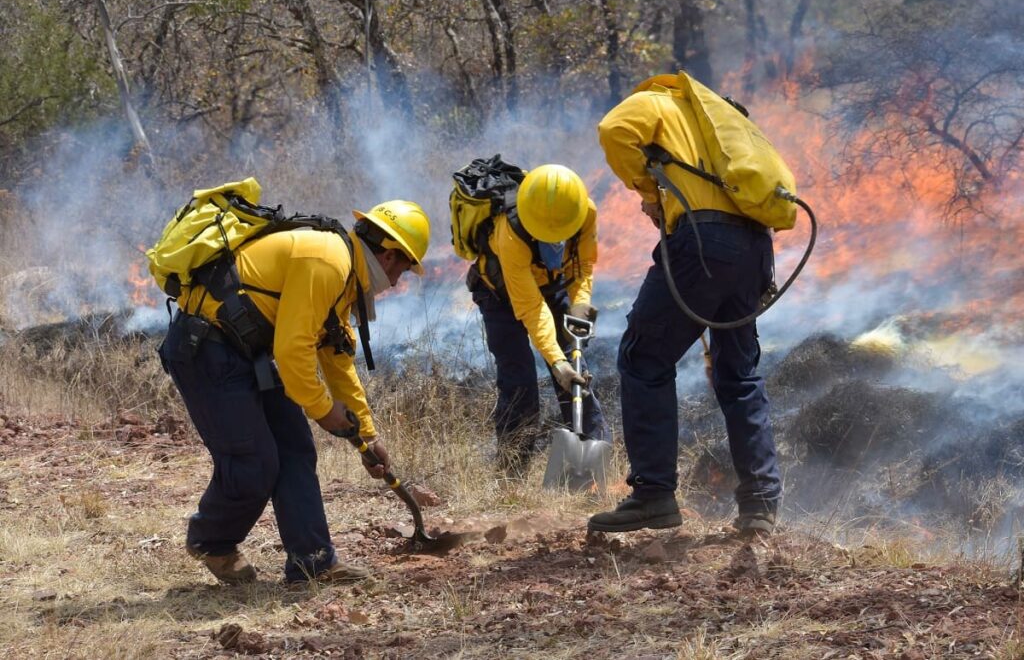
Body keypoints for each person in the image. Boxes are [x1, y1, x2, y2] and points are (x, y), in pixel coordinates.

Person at [158, 198, 431, 584]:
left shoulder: (343, 269)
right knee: (255, 461)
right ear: (388, 256)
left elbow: (336, 356)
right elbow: (292, 350)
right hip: (206, 352)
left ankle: (312, 562)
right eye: (404, 269)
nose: (400, 280)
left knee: (295, 449)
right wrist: (324, 410)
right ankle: (212, 541)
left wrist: (368, 437)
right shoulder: (329, 261)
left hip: (245, 352)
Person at [589, 74, 781, 536]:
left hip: (702, 239)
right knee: (738, 375)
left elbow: (613, 131)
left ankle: (654, 495)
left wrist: (652, 192)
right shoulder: (719, 123)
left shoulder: (657, 101)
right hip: (756, 248)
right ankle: (760, 504)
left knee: (643, 355)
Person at [466, 164, 610, 474]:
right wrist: (557, 363)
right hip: (500, 295)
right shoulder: (511, 232)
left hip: (551, 284)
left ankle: (588, 473)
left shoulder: (583, 211)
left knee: (578, 375)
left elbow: (582, 265)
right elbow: (532, 308)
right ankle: (510, 472)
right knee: (520, 381)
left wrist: (581, 303)